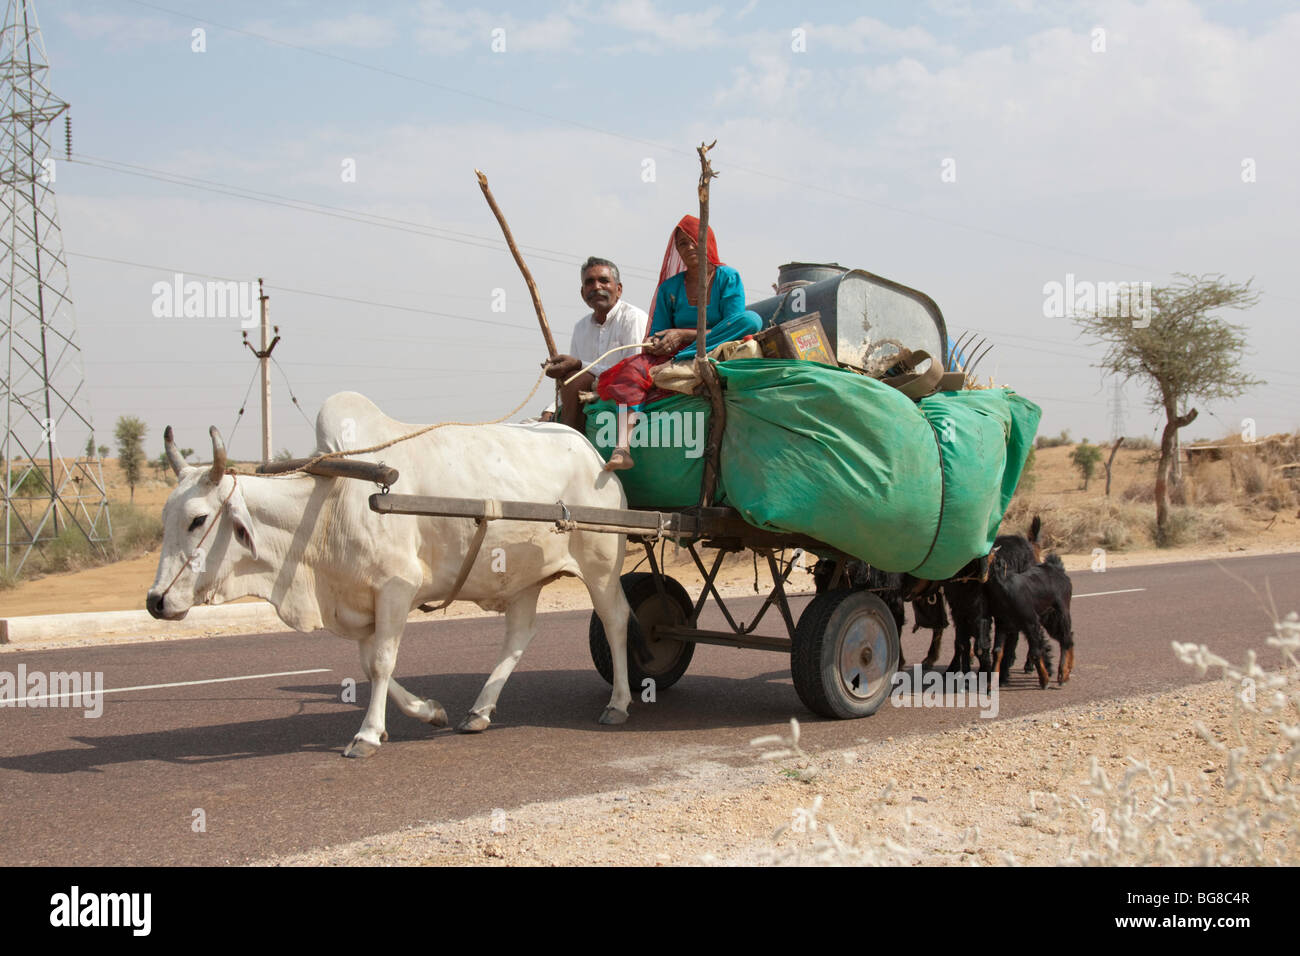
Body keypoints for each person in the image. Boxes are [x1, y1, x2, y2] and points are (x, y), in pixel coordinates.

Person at [598, 215, 762, 471]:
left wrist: (684, 335)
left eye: (694, 240)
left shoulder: (728, 277)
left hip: (715, 345)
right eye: (682, 245)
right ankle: (622, 448)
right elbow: (658, 333)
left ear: (707, 241)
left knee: (751, 320)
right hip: (673, 355)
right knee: (631, 369)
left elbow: (733, 325)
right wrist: (658, 342)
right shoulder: (670, 288)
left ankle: (682, 360)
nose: (689, 248)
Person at [542, 257, 647, 431]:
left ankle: (572, 443)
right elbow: (573, 376)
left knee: (575, 377)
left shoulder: (633, 318)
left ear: (618, 289)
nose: (597, 287)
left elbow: (633, 371)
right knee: (570, 379)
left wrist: (579, 364)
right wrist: (551, 409)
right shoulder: (581, 327)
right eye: (590, 282)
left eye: (604, 281)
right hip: (586, 392)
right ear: (583, 293)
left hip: (624, 392)